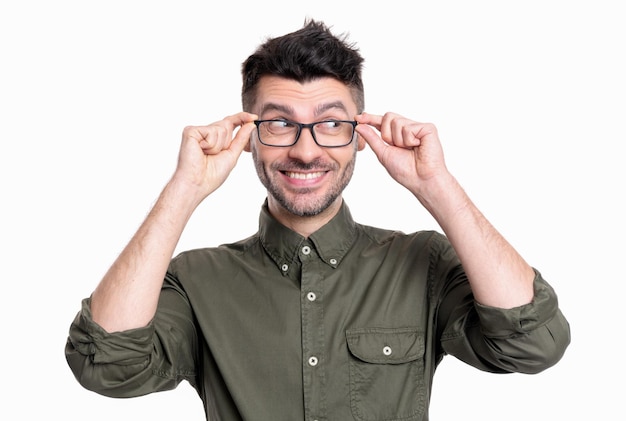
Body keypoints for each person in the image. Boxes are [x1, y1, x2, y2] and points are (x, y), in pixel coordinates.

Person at [65, 19, 570, 421]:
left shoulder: (425, 263)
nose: (305, 151)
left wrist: (435, 186)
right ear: (249, 135)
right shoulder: (194, 281)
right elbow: (105, 366)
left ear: (359, 134)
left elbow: (533, 344)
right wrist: (184, 189)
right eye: (280, 123)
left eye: (331, 123)